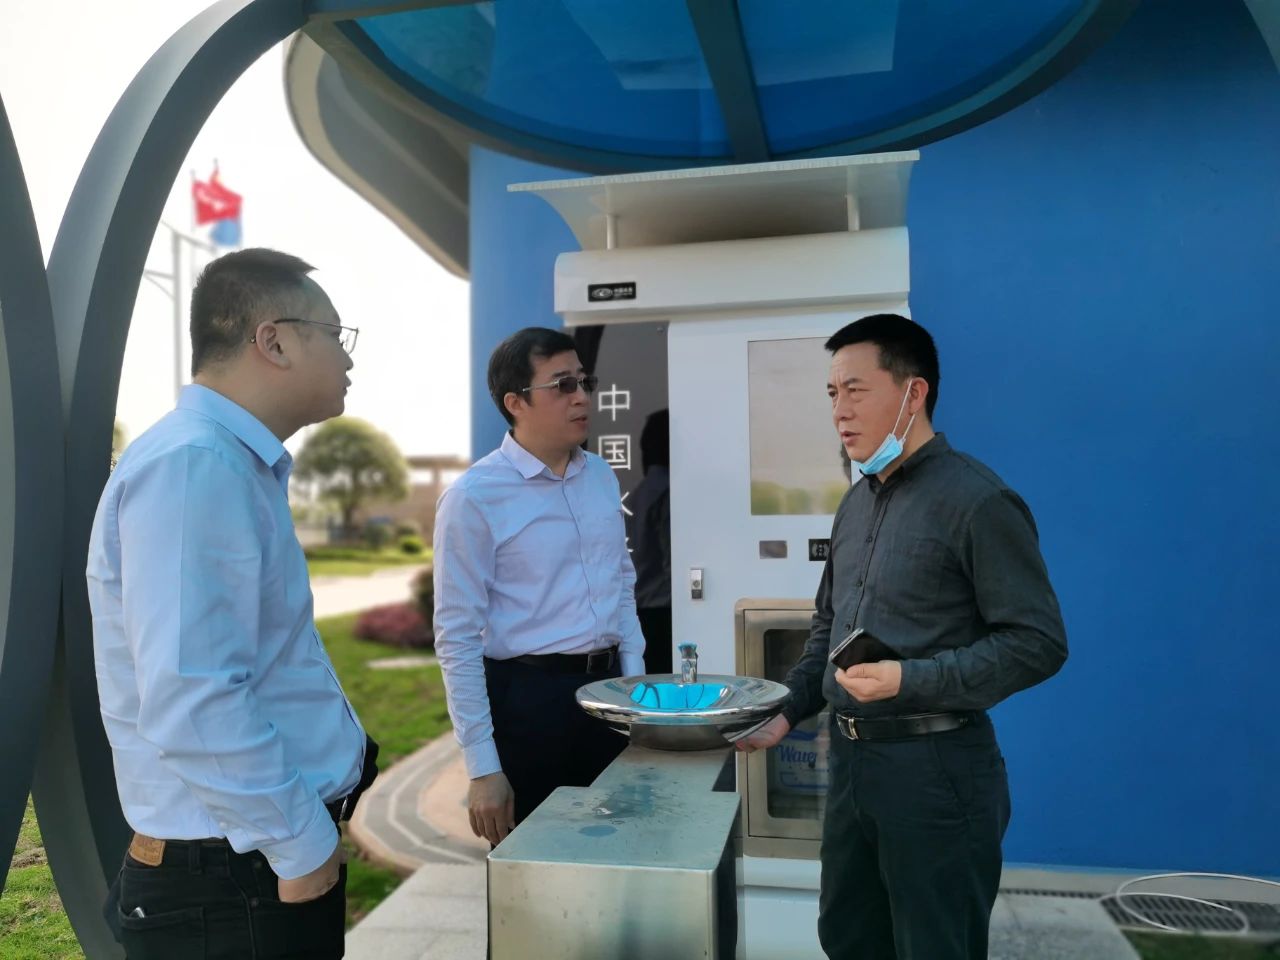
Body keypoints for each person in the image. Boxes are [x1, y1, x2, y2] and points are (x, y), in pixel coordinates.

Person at [737, 313, 1068, 960]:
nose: (839, 410)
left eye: (855, 390)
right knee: (848, 937)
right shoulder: (856, 502)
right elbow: (827, 630)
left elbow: (1038, 641)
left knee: (933, 946)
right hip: (851, 767)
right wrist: (785, 711)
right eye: (832, 393)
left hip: (936, 772)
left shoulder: (978, 501)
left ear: (913, 393)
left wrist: (909, 680)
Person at [87, 248, 377, 959]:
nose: (348, 358)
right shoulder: (196, 464)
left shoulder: (224, 461)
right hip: (235, 877)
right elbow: (192, 693)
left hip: (243, 862)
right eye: (334, 334)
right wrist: (301, 844)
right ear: (272, 340)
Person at [433, 326, 645, 846]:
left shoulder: (600, 476)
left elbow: (621, 583)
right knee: (536, 864)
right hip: (528, 703)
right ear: (516, 403)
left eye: (584, 382)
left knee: (618, 853)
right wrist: (483, 767)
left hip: (608, 695)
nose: (582, 397)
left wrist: (633, 693)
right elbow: (456, 637)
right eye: (563, 385)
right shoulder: (474, 497)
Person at [631, 409, 672, 674]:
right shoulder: (669, 491)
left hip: (642, 609)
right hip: (664, 611)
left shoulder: (641, 492)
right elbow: (673, 562)